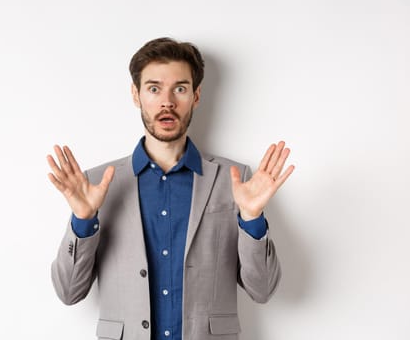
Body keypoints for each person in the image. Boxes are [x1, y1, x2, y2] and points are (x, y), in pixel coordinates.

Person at [47, 37, 294, 340]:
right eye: (154, 88)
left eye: (180, 88)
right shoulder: (98, 183)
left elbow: (264, 290)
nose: (167, 101)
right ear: (136, 95)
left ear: (196, 95)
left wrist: (252, 218)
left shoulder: (236, 180)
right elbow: (69, 292)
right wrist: (84, 220)